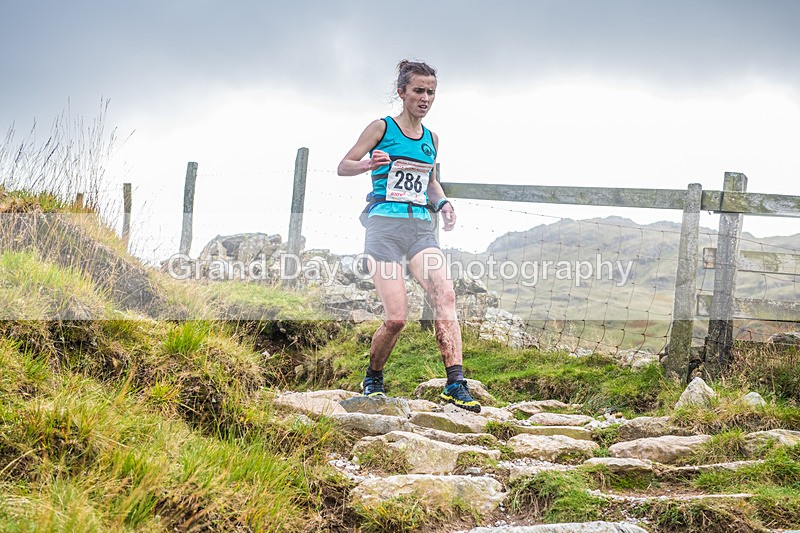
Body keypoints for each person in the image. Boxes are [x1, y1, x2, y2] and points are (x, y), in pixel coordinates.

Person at [337, 59, 480, 413]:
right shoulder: (381, 128)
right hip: (384, 228)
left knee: (444, 293)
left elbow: (430, 182)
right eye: (418, 90)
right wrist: (368, 164)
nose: (425, 98)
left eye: (431, 92)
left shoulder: (431, 139)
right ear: (402, 93)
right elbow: (344, 166)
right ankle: (373, 377)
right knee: (396, 318)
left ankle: (455, 384)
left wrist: (443, 203)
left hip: (420, 229)